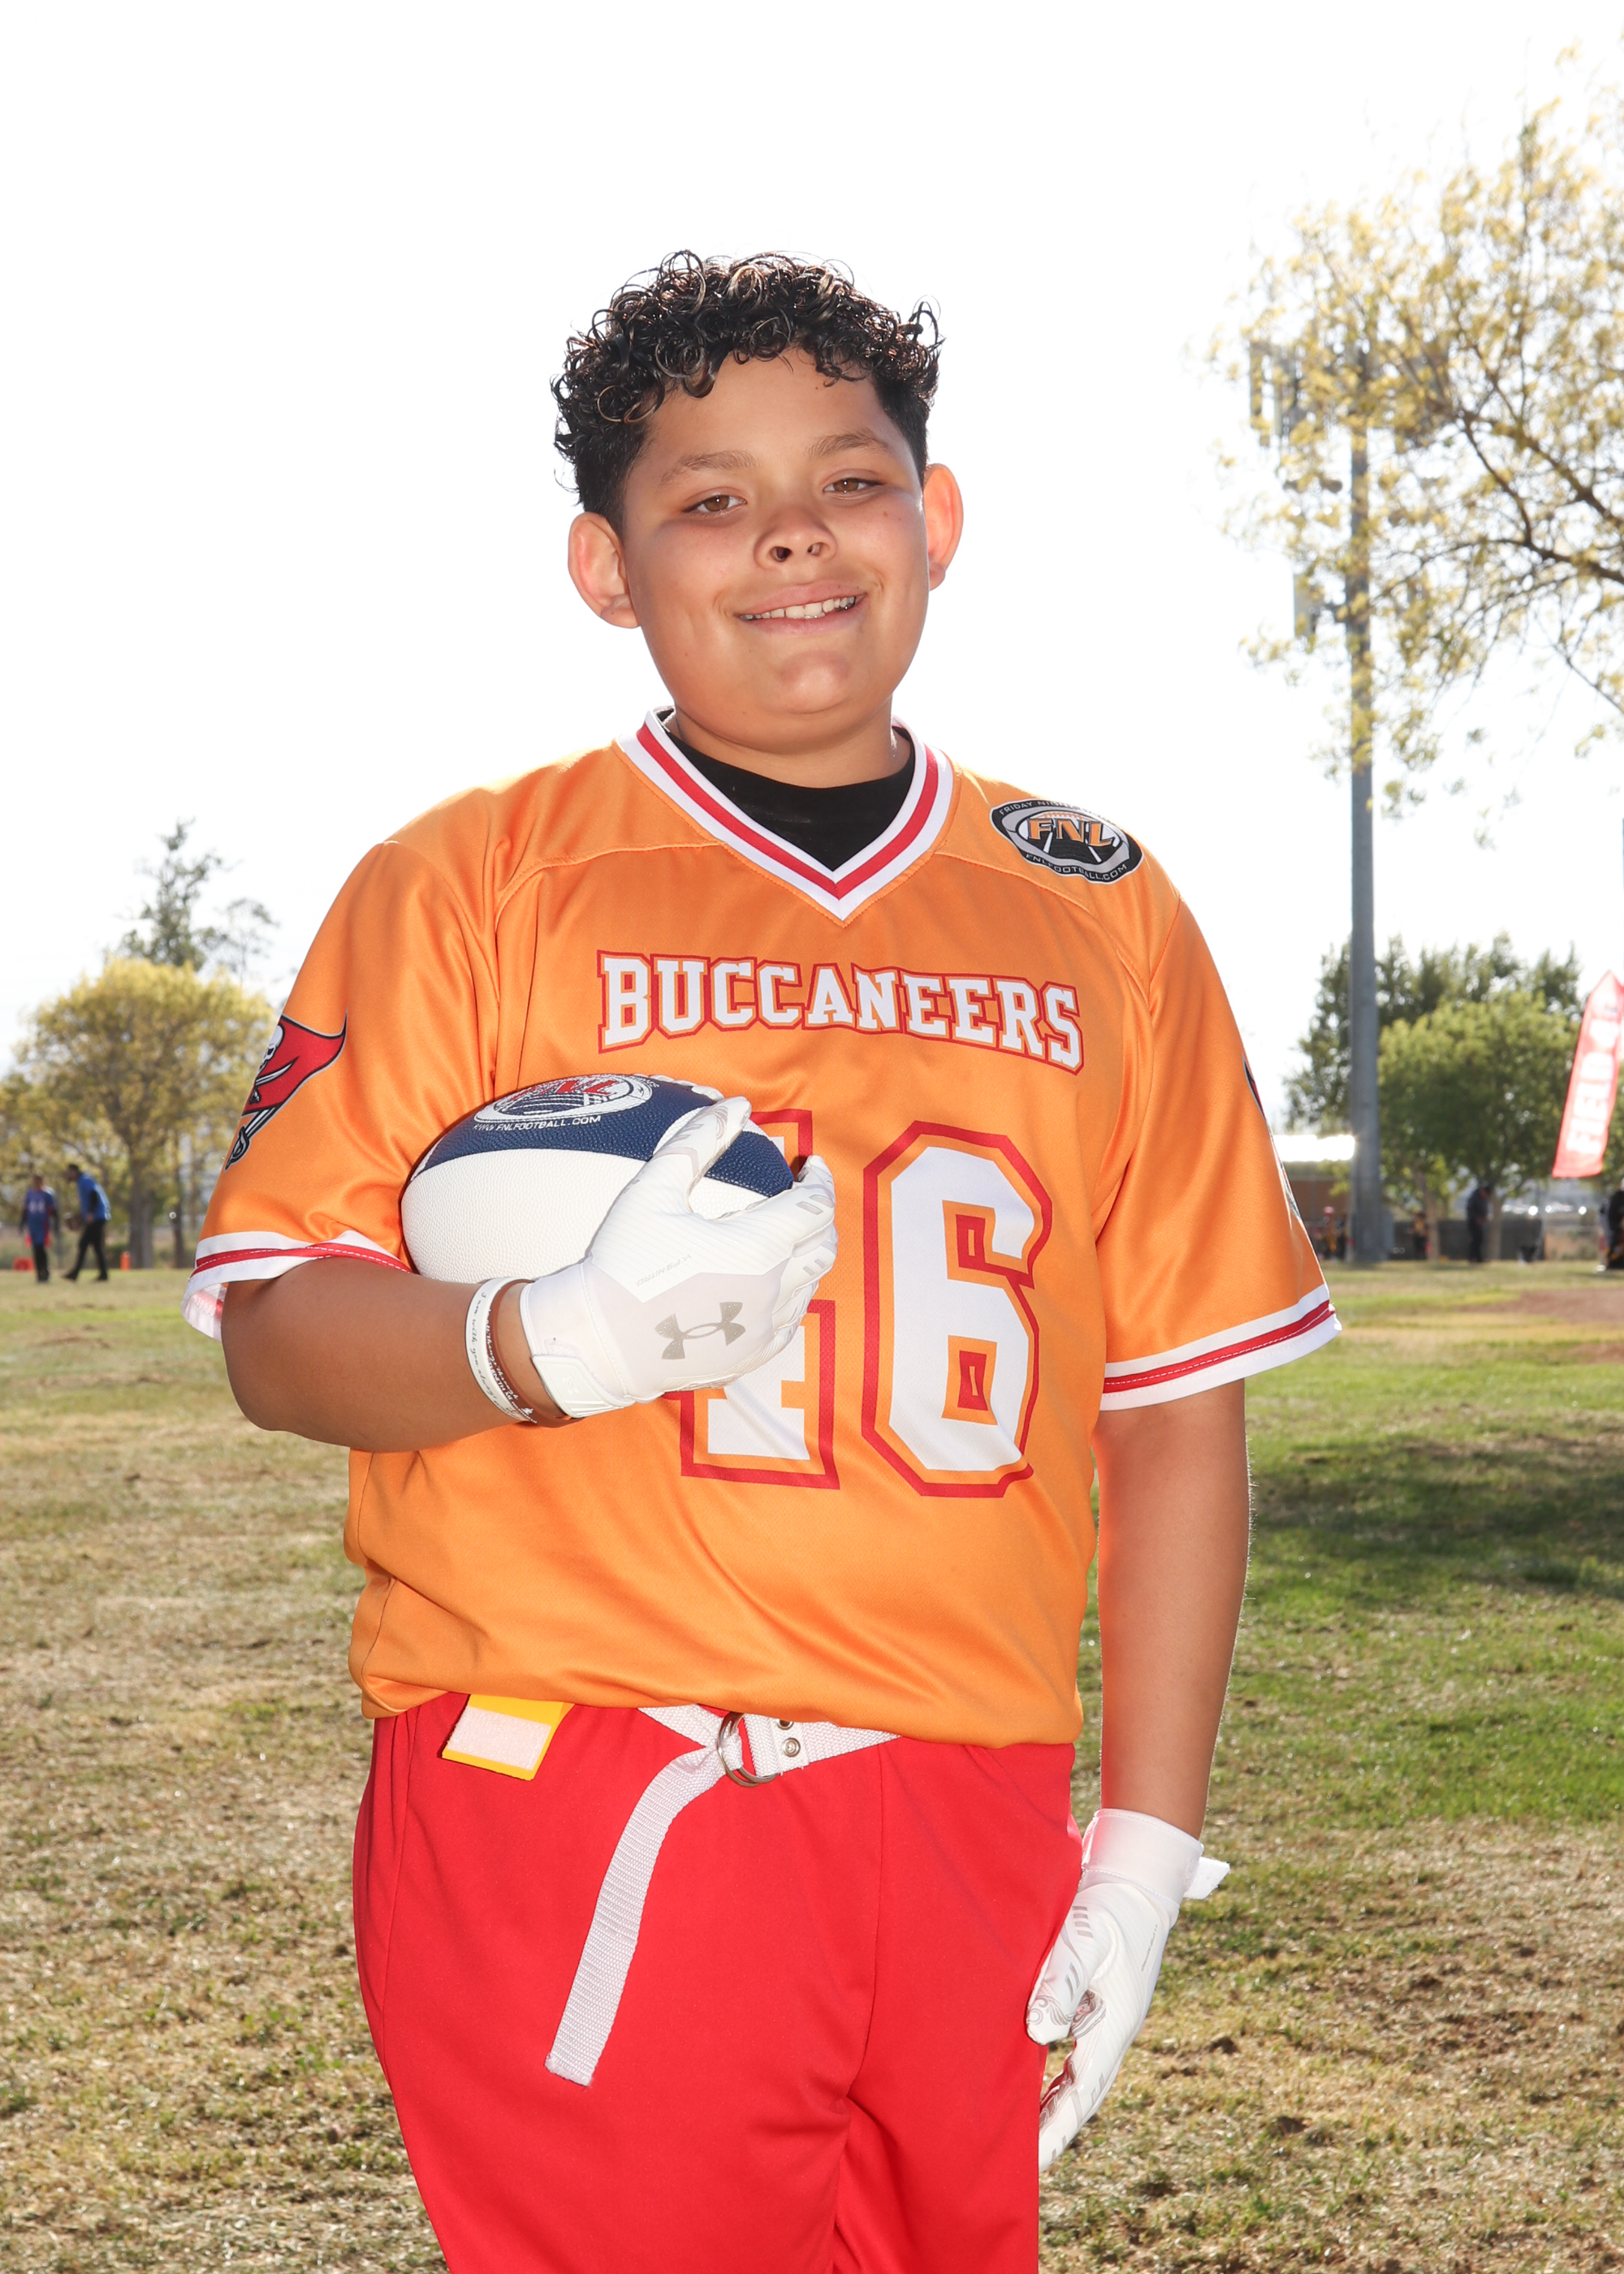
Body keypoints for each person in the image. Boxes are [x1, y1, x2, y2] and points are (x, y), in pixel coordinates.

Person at [185, 253, 1339, 2274]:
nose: (792, 535)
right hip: (592, 1761)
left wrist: (1143, 1836)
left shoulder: (1098, 906)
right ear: (604, 567)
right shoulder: (471, 881)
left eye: (847, 481)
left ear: (937, 518)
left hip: (971, 1798)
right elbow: (279, 1329)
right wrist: (545, 1340)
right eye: (709, 499)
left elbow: (1171, 1409)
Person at [65, 1163, 110, 1282]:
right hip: (97, 1217)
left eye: (68, 1173)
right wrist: (82, 1217)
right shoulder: (81, 1181)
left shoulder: (85, 1180)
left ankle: (75, 1273)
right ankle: (104, 1274)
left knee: (83, 1243)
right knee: (97, 1247)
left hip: (97, 1217)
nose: (67, 1175)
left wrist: (90, 1213)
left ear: (73, 1172)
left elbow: (94, 1195)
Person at [19, 1174, 58, 1282]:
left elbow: (54, 1211)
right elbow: (25, 1210)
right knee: (35, 1248)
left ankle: (45, 1270)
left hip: (43, 1224)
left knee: (41, 1248)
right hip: (32, 1225)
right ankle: (39, 1273)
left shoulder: (47, 1194)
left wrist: (56, 1224)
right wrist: (22, 1224)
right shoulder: (30, 1194)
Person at [1466, 1180, 1491, 1265]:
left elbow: (1484, 1209)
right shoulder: (1474, 1197)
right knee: (1474, 1240)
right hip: (1473, 1222)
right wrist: (1476, 1218)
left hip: (1480, 1223)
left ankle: (1479, 1258)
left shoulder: (1484, 1199)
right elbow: (1470, 1209)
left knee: (1479, 1240)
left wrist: (1484, 1217)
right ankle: (1472, 1258)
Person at [1606, 1184, 1624, 1271]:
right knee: (1613, 1241)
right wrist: (1617, 1229)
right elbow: (1610, 1215)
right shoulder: (1617, 1198)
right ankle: (1609, 1263)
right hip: (1610, 1223)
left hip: (1617, 1224)